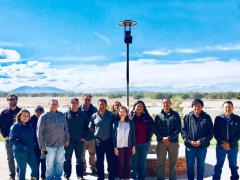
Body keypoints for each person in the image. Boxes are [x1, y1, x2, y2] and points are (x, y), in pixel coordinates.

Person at [37, 99, 70, 180]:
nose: (54, 106)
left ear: (57, 105)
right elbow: (39, 132)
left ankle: (58, 178)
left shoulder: (62, 115)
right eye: (52, 104)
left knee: (60, 163)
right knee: (50, 164)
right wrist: (41, 145)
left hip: (61, 145)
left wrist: (67, 139)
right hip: (49, 145)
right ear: (49, 105)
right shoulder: (43, 117)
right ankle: (50, 178)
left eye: (55, 104)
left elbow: (66, 128)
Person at [181, 99, 213, 180]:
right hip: (190, 147)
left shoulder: (207, 117)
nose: (197, 107)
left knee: (201, 166)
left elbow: (210, 133)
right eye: (195, 106)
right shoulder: (188, 117)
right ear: (192, 107)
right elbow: (183, 131)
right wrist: (189, 141)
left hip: (202, 147)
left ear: (202, 107)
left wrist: (201, 141)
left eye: (199, 106)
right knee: (190, 166)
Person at [154, 98, 181, 180]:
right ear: (162, 104)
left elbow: (178, 128)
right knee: (160, 163)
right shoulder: (158, 116)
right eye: (164, 103)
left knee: (173, 163)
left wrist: (169, 138)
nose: (166, 104)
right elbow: (155, 129)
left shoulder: (176, 115)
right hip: (161, 142)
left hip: (173, 142)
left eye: (167, 103)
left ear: (170, 104)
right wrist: (162, 138)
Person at [89, 98, 116, 180]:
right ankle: (100, 177)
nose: (101, 106)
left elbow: (116, 127)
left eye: (103, 104)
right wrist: (96, 133)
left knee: (110, 161)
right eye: (100, 104)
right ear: (98, 105)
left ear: (106, 105)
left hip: (109, 141)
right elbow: (90, 127)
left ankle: (111, 177)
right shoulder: (94, 116)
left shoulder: (111, 115)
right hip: (99, 141)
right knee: (99, 161)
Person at [212, 101, 240, 180]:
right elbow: (215, 132)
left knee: (233, 165)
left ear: (233, 108)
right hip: (221, 146)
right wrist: (222, 143)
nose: (228, 108)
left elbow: (238, 134)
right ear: (223, 108)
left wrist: (229, 144)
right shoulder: (218, 118)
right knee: (219, 164)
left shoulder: (238, 119)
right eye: (226, 107)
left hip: (233, 147)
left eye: (229, 107)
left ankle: (234, 178)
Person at [64, 97, 89, 180]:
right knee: (67, 159)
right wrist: (64, 139)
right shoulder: (66, 114)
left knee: (79, 159)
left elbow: (87, 127)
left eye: (76, 103)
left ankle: (80, 176)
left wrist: (84, 137)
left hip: (79, 141)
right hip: (68, 142)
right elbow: (62, 128)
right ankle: (67, 175)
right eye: (73, 103)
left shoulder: (83, 114)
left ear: (78, 104)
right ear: (70, 104)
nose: (74, 105)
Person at [9, 109, 38, 180]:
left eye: (27, 116)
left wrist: (33, 144)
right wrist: (23, 146)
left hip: (30, 150)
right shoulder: (15, 126)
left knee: (35, 167)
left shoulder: (29, 125)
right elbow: (12, 139)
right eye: (24, 116)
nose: (25, 117)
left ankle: (33, 178)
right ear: (19, 116)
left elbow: (32, 136)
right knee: (23, 170)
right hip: (19, 151)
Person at [130, 100, 154, 180]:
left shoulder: (147, 117)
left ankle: (141, 178)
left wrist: (149, 138)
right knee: (134, 163)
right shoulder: (130, 117)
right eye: (137, 106)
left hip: (144, 144)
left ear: (143, 108)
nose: (139, 108)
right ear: (134, 107)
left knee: (142, 163)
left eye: (141, 106)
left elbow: (152, 128)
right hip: (133, 145)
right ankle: (133, 178)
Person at [0, 94, 21, 180]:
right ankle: (12, 175)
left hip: (19, 139)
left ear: (16, 100)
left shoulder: (21, 111)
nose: (11, 101)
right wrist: (4, 136)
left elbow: (26, 124)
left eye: (13, 99)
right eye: (9, 99)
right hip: (8, 139)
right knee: (10, 157)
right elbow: (0, 125)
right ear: (7, 100)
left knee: (19, 156)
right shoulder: (4, 112)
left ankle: (20, 173)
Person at [113, 106, 136, 180]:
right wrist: (115, 147)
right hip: (119, 146)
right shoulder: (116, 123)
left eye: (124, 111)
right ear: (118, 112)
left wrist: (134, 146)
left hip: (128, 145)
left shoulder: (130, 122)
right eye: (121, 111)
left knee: (128, 163)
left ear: (126, 113)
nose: (122, 113)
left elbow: (133, 135)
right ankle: (121, 178)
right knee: (121, 163)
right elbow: (113, 136)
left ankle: (127, 177)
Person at [79, 93, 97, 175]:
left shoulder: (95, 110)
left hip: (92, 136)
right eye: (85, 99)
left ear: (91, 100)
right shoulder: (78, 109)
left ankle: (93, 167)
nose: (87, 101)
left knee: (92, 154)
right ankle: (83, 168)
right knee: (82, 155)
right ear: (83, 100)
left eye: (88, 100)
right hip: (81, 137)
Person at [29, 106, 46, 180]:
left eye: (40, 112)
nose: (39, 114)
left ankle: (44, 176)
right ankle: (36, 177)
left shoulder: (45, 118)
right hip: (35, 145)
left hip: (44, 144)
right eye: (37, 112)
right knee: (36, 163)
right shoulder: (30, 120)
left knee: (44, 162)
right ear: (35, 112)